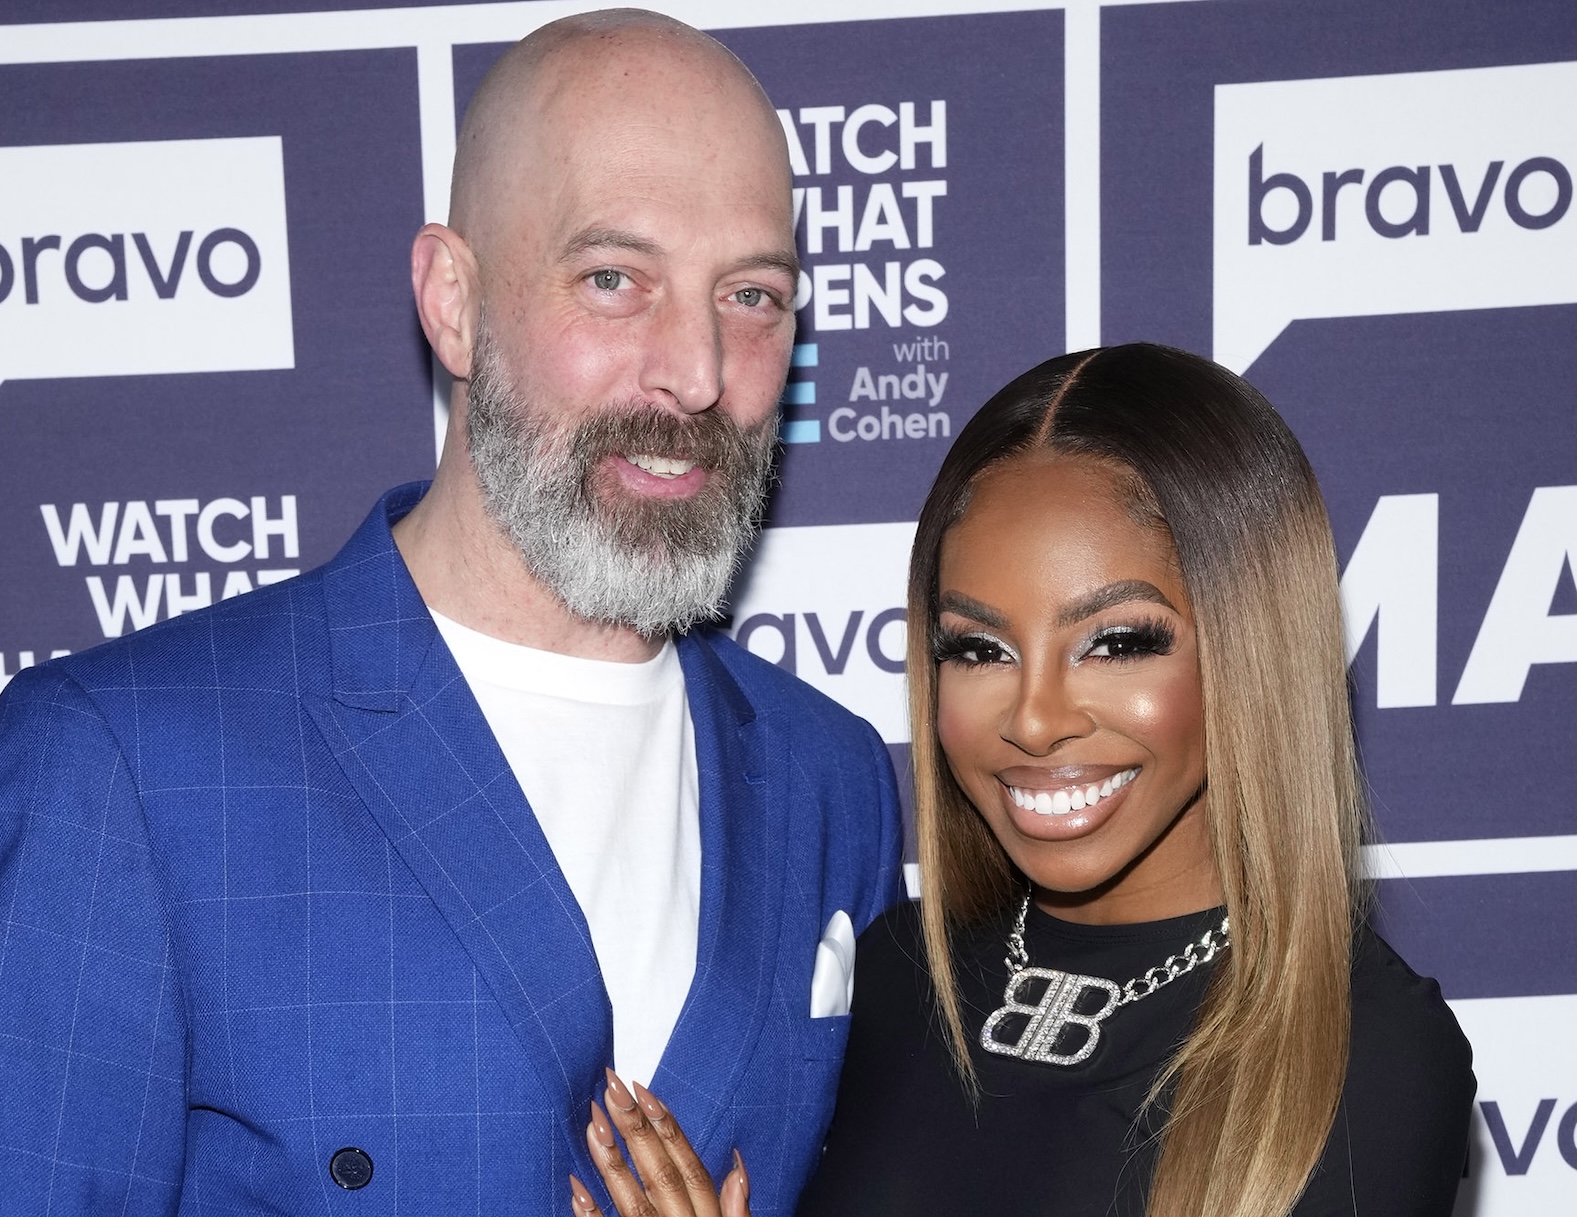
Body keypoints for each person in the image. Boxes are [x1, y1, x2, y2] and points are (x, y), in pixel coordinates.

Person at [0, 11, 902, 1214]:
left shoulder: (831, 777)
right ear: (452, 299)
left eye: (751, 294)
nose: (696, 370)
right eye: (613, 279)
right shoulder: (123, 768)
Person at [579, 344, 1474, 1217]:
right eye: (978, 648)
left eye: (1116, 642)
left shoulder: (1367, 1050)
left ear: (1253, 648)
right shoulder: (898, 977)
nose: (1034, 718)